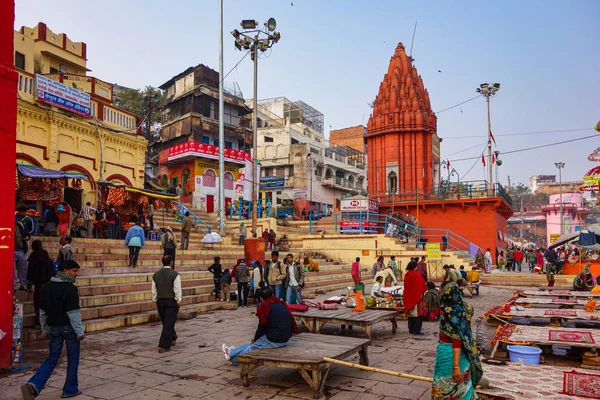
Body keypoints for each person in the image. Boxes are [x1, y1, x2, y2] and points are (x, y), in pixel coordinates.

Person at [21, 260, 84, 400]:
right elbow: (73, 313)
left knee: (52, 358)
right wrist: (80, 332)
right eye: (74, 271)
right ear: (66, 271)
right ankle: (70, 389)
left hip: (54, 328)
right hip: (69, 328)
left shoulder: (48, 287)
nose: (76, 274)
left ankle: (34, 384)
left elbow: (42, 311)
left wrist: (44, 329)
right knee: (73, 359)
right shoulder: (70, 288)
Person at [222, 286, 299, 365]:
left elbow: (262, 327)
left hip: (275, 339)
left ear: (261, 298)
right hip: (285, 338)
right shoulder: (281, 303)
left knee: (252, 348)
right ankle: (231, 353)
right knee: (254, 343)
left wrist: (256, 339)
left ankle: (234, 360)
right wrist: (256, 339)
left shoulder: (264, 307)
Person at [432, 282, 483, 400]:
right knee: (464, 385)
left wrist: (456, 367)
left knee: (444, 383)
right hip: (464, 353)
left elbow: (456, 339)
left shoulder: (450, 312)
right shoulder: (465, 308)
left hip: (451, 354)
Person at [151, 255, 181, 353]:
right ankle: (164, 345)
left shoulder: (156, 275)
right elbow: (177, 289)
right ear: (171, 262)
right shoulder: (175, 274)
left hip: (160, 301)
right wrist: (178, 300)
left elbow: (154, 289)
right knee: (168, 322)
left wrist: (155, 299)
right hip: (171, 301)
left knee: (166, 321)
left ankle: (172, 336)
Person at [27, 240, 53, 325]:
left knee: (38, 304)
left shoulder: (33, 256)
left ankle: (39, 322)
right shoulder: (45, 256)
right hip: (47, 283)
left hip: (38, 284)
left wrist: (29, 284)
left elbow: (30, 271)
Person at [404, 262, 428, 335]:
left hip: (408, 297)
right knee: (417, 315)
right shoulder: (417, 275)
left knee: (410, 315)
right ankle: (416, 331)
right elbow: (422, 286)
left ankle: (411, 330)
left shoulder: (407, 275)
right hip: (416, 297)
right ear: (414, 267)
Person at [14, 211, 30, 291]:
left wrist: (27, 237)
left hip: (22, 250)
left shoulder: (21, 225)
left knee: (24, 269)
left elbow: (28, 234)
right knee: (12, 271)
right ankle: (13, 287)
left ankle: (24, 285)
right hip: (11, 251)